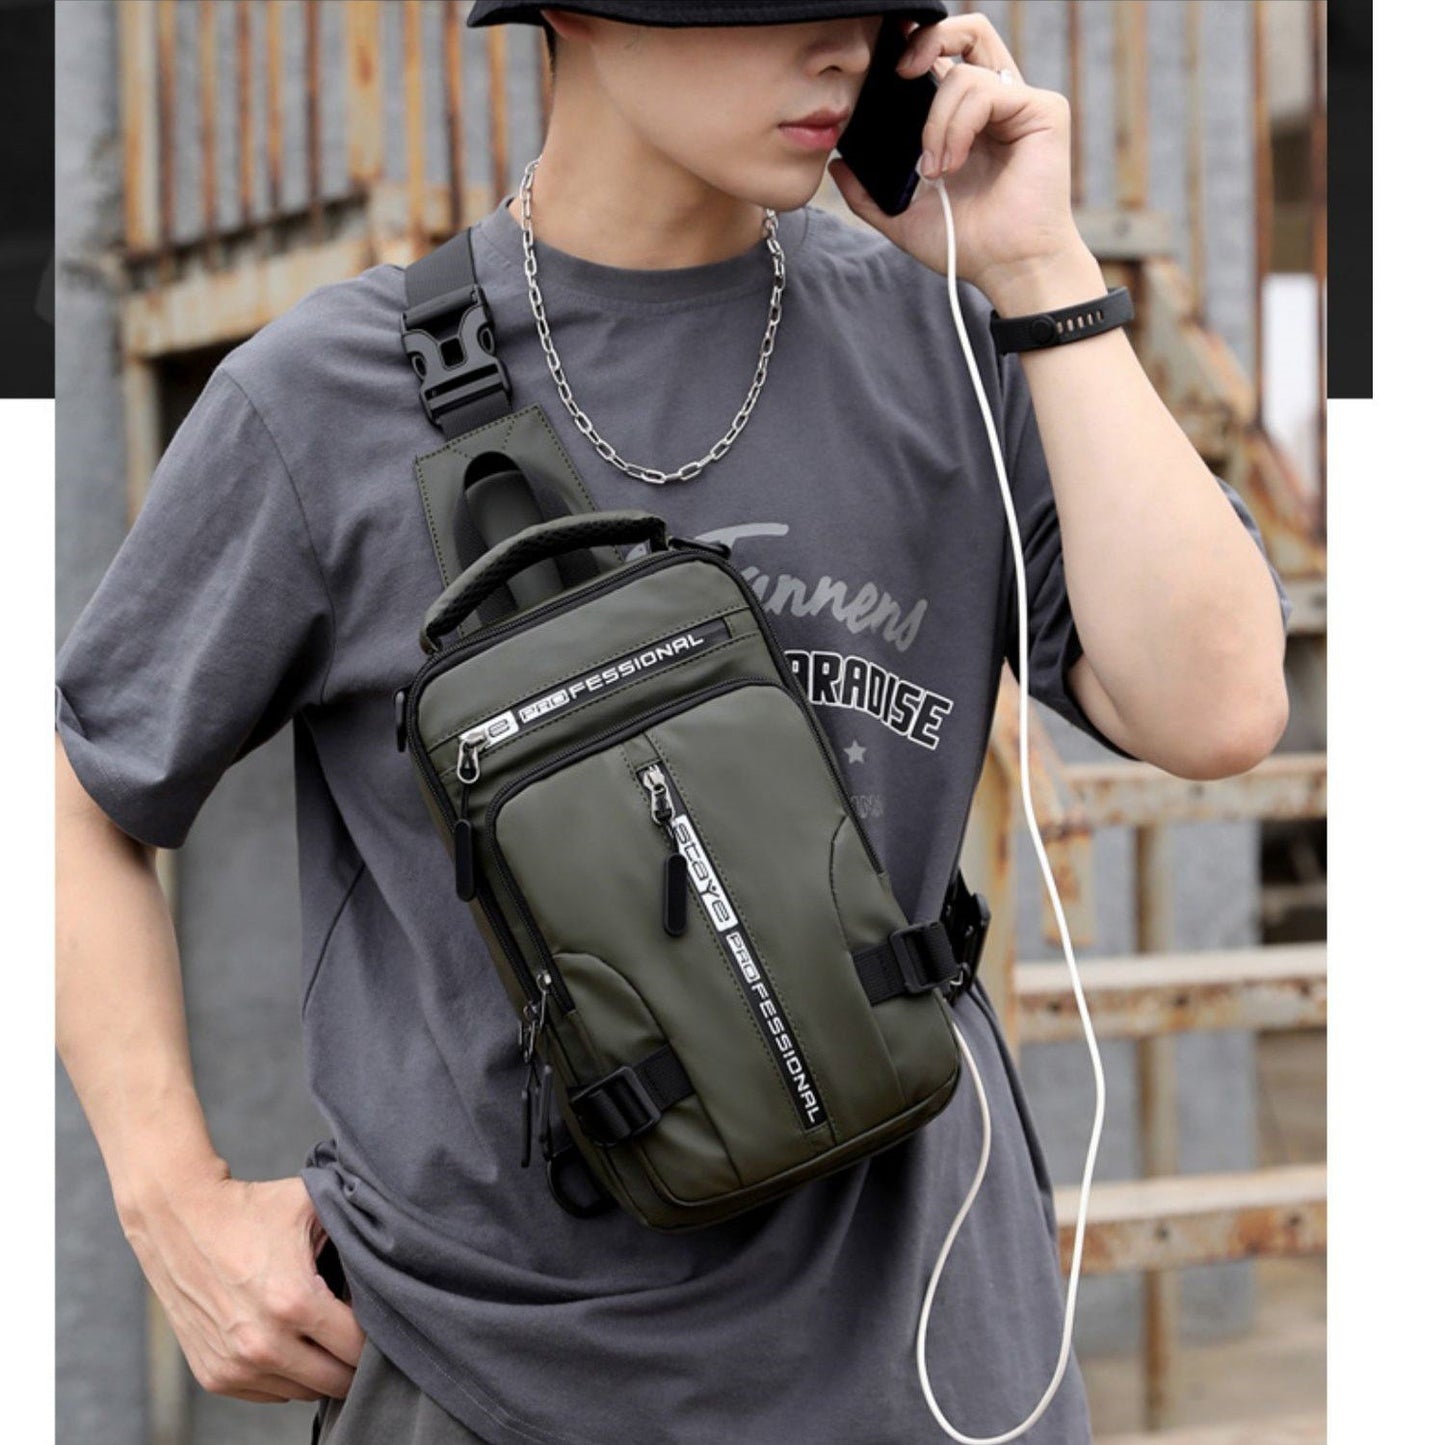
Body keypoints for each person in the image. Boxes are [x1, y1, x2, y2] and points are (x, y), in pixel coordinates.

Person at [54, 3, 1293, 1442]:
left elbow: (1218, 711)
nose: (841, 50)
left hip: (937, 1367)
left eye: (870, 11)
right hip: (502, 1375)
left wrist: (1039, 267)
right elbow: (80, 799)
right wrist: (170, 1202)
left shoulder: (949, 334)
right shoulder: (326, 398)